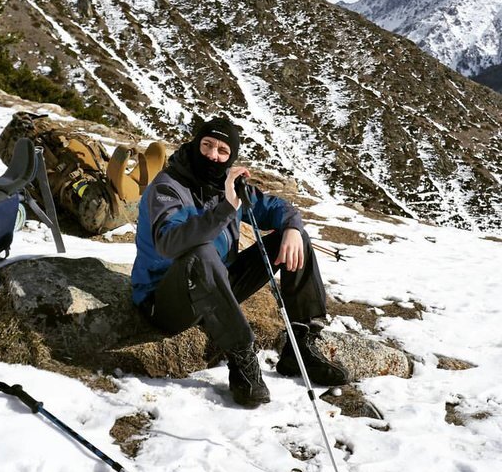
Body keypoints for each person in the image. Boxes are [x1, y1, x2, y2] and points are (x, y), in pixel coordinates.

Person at [132, 117, 348, 408]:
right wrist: (227, 208)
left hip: (215, 284)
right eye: (207, 145)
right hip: (166, 299)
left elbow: (274, 207)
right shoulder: (168, 187)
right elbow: (171, 243)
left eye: (222, 150)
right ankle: (241, 357)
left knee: (296, 239)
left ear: (230, 157)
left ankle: (300, 347)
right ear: (195, 144)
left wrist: (293, 227)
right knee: (202, 252)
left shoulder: (226, 184)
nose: (212, 155)